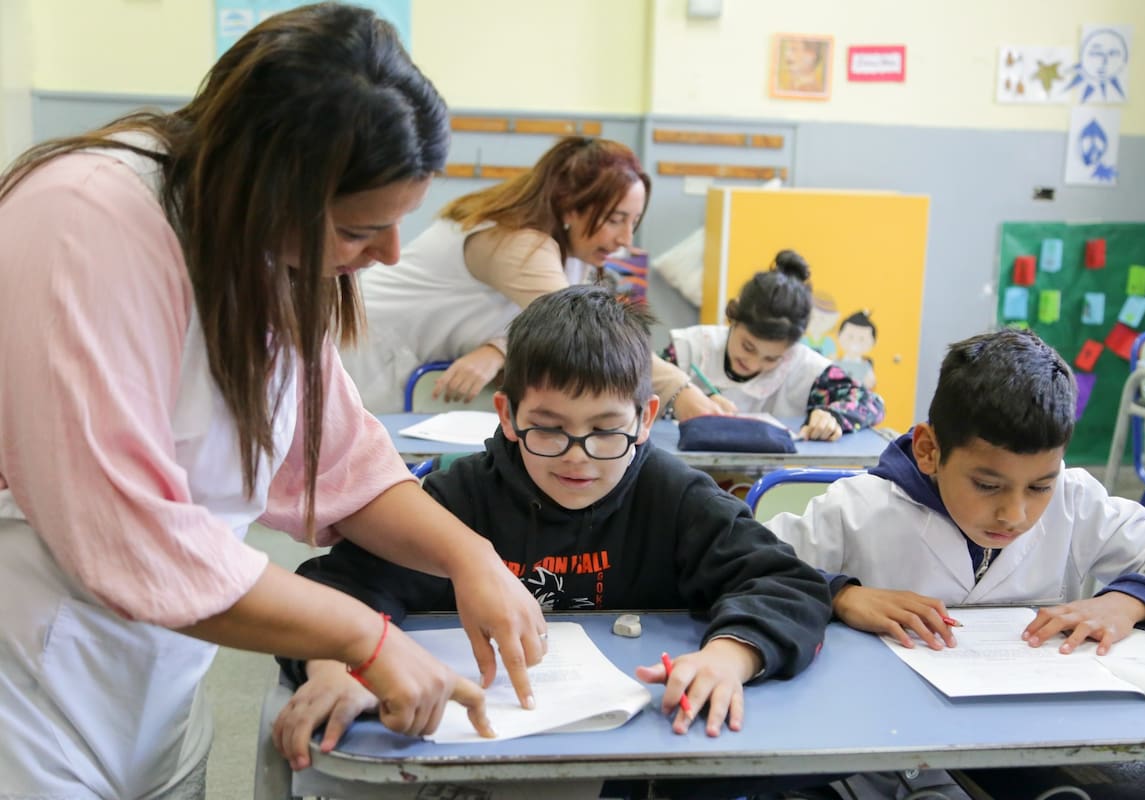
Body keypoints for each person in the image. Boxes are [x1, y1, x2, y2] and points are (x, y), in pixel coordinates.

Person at [0, 7, 545, 797]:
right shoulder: (83, 221)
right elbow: (128, 536)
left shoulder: (256, 248)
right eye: (362, 228)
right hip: (30, 668)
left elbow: (338, 460)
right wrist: (365, 637)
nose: (389, 254)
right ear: (271, 187)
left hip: (156, 673)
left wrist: (470, 557)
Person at [273, 285, 833, 775]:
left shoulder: (673, 495)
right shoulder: (462, 498)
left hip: (637, 753)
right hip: (481, 755)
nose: (578, 458)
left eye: (605, 430)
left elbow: (787, 583)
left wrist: (728, 658)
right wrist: (334, 668)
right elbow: (334, 588)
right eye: (549, 428)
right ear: (507, 414)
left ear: (645, 418)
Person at [768, 328, 1145, 654]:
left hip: (1028, 738)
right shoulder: (857, 509)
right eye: (988, 485)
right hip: (889, 744)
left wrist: (1126, 603)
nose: (1014, 514)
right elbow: (745, 565)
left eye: (1039, 486)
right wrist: (841, 593)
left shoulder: (1076, 501)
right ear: (928, 450)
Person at [339, 136, 721, 421]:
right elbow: (589, 332)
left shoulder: (571, 251)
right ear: (571, 204)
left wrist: (497, 348)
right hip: (365, 351)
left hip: (410, 367)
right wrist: (682, 394)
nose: (624, 240)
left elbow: (545, 321)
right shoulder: (520, 243)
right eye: (616, 219)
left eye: (633, 222)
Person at [661, 250, 884, 441]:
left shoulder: (807, 368)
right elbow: (638, 397)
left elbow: (870, 403)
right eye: (748, 347)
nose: (754, 363)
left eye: (772, 358)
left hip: (771, 484)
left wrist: (832, 416)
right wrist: (684, 401)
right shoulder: (689, 349)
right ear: (734, 316)